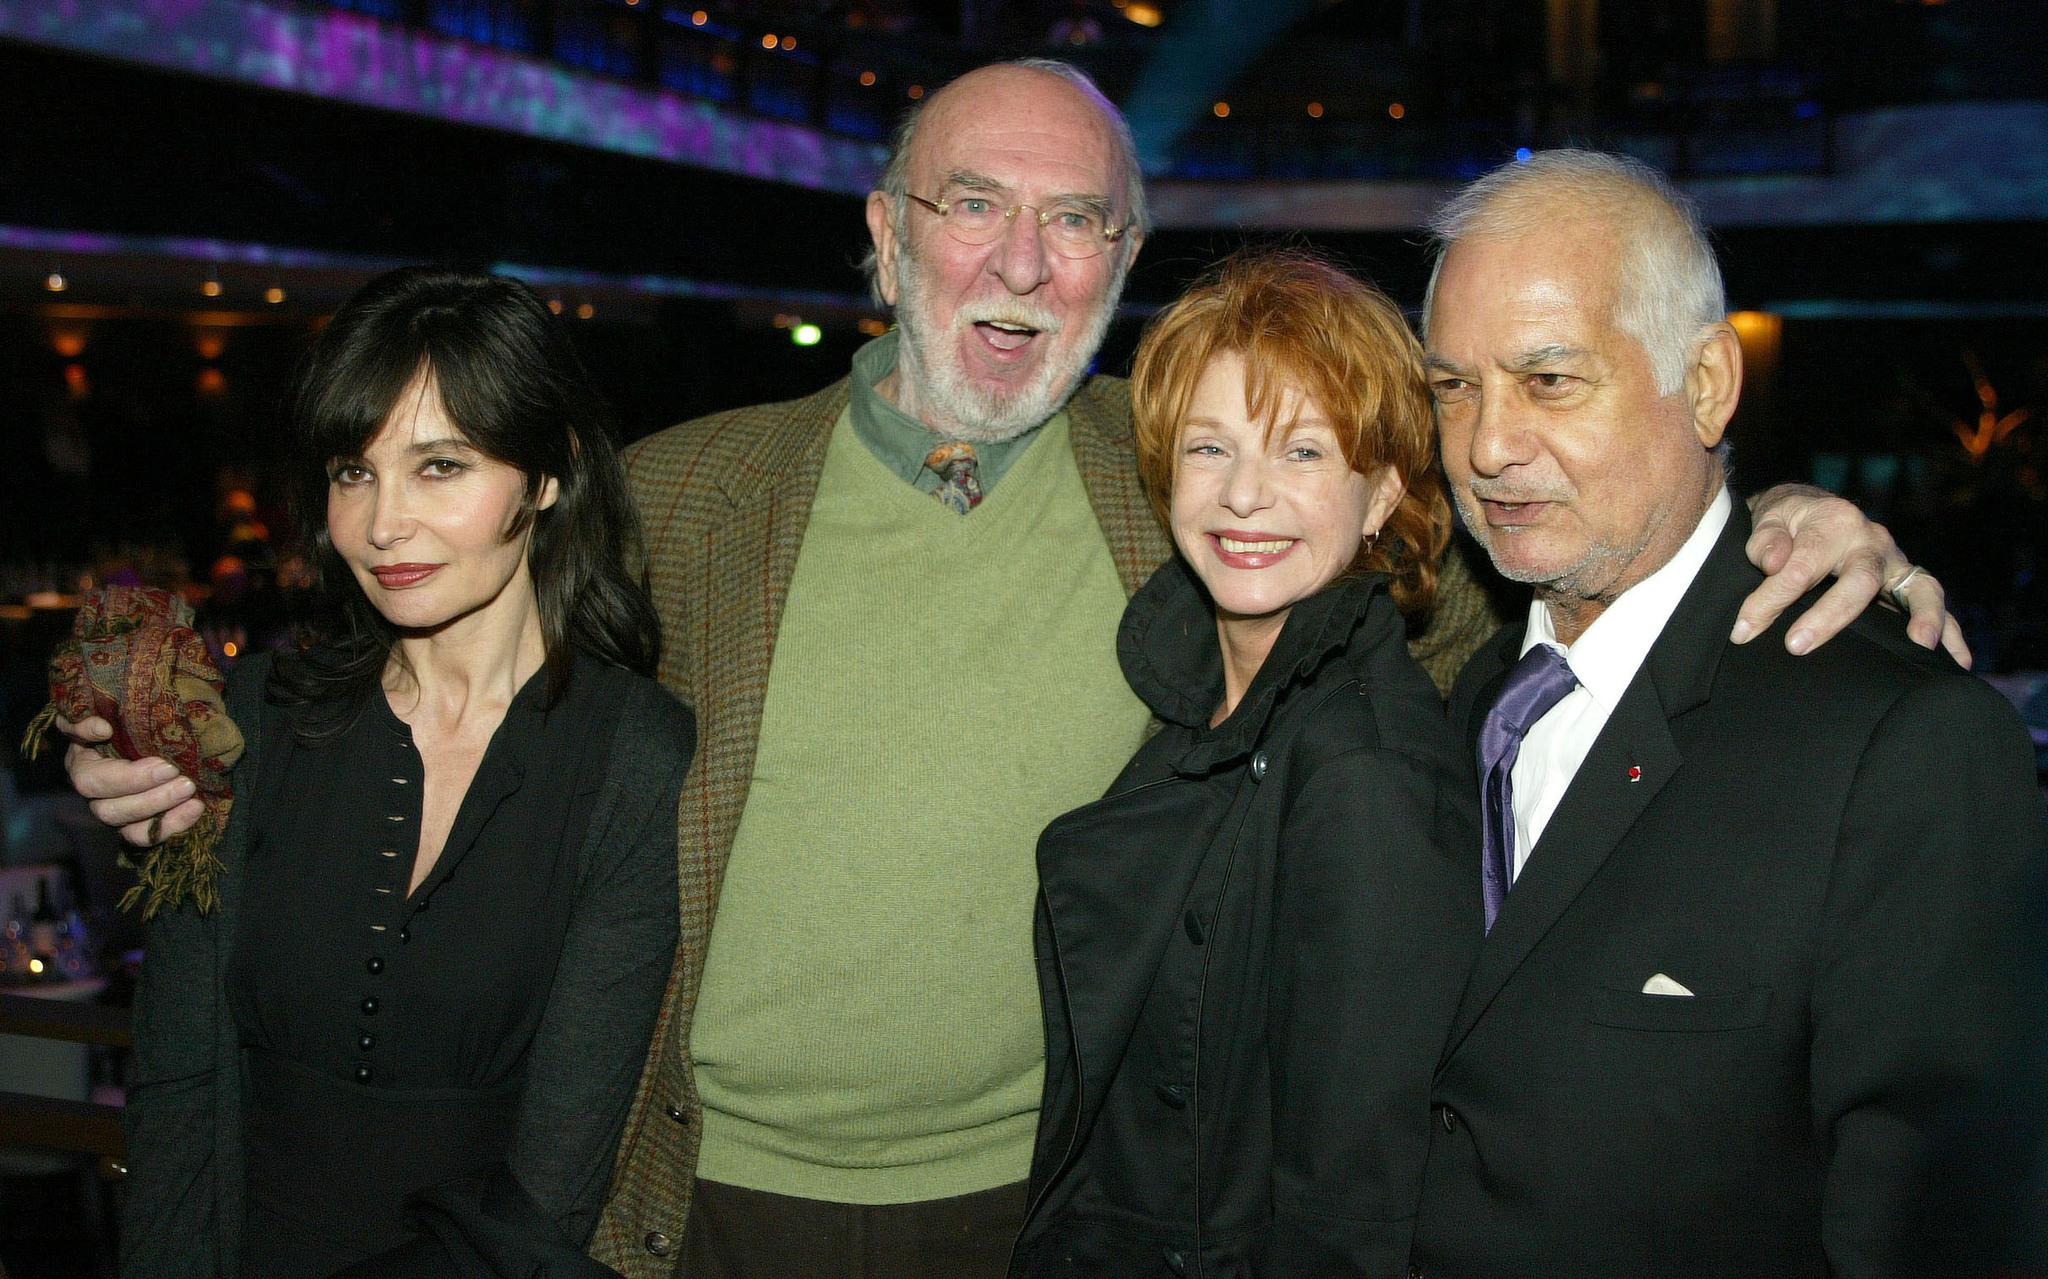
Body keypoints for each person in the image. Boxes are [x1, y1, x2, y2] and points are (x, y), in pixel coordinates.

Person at [72, 63, 1949, 1279]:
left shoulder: (1196, 473)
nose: (1023, 260)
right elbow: (434, 620)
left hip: (1044, 1217)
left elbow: (1523, 571)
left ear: (1121, 265)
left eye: (1078, 223)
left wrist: (1782, 522)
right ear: (883, 239)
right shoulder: (690, 492)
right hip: (696, 1205)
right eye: (974, 204)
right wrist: (175, 730)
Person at [1410, 150, 2044, 1277]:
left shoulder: (1900, 746)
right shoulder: (1460, 690)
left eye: (1547, 380)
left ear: (1704, 383)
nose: (1484, 445)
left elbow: (1938, 1225)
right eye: (1452, 386)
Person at [108, 267, 694, 1278]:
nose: (381, 526)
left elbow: (557, 1174)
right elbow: (175, 1086)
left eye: (438, 467)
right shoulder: (245, 721)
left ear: (547, 474)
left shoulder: (633, 756)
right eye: (353, 469)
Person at [1013, 250, 1479, 1276]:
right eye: (1208, 447)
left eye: (1302, 452)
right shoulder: (1195, 700)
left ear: (1380, 494)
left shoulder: (1364, 767)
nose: (1242, 497)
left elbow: (1355, 1206)